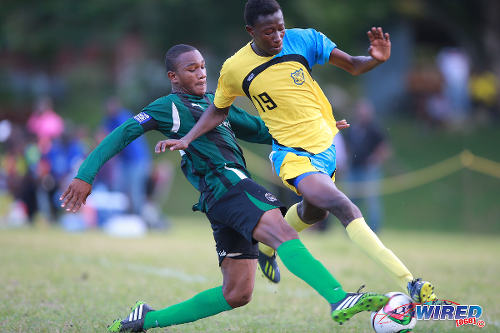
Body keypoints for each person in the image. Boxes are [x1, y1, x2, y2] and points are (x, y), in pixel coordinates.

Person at [60, 44, 388, 332]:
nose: (201, 73)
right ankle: (339, 298)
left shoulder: (218, 106)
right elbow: (123, 133)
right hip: (229, 186)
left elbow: (264, 129)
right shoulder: (168, 107)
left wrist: (320, 126)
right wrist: (85, 175)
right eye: (191, 69)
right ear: (173, 77)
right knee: (283, 233)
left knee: (237, 293)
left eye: (203, 66)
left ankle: (145, 320)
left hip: (221, 200)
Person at [161, 0, 437, 304]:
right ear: (250, 31)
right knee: (341, 205)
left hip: (326, 147)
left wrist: (375, 59)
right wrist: (187, 138)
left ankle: (265, 249)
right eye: (269, 32)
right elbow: (217, 110)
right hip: (292, 155)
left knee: (313, 211)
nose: (278, 36)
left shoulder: (303, 39)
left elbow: (354, 65)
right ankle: (410, 281)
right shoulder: (235, 68)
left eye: (280, 27)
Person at [345, 100, 391, 233]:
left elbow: (385, 148)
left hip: (369, 170)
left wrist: (375, 159)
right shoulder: (352, 128)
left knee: (372, 202)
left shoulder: (375, 128)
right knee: (351, 201)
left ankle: (374, 230)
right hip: (354, 169)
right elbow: (347, 147)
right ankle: (351, 229)